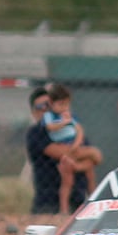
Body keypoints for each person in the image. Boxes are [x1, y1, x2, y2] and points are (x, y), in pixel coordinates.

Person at [42, 83, 103, 214]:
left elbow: (79, 130)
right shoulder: (50, 116)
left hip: (75, 147)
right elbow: (50, 127)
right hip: (64, 148)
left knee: (90, 170)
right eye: (61, 104)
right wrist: (63, 122)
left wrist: (77, 143)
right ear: (51, 104)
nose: (64, 108)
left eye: (67, 104)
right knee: (68, 180)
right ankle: (63, 209)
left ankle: (94, 206)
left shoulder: (70, 115)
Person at [25, 85, 88, 214]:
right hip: (48, 204)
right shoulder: (36, 133)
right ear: (33, 112)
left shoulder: (71, 129)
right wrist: (79, 153)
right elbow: (62, 153)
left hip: (77, 201)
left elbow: (92, 159)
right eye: (40, 107)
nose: (46, 110)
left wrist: (77, 165)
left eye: (49, 105)